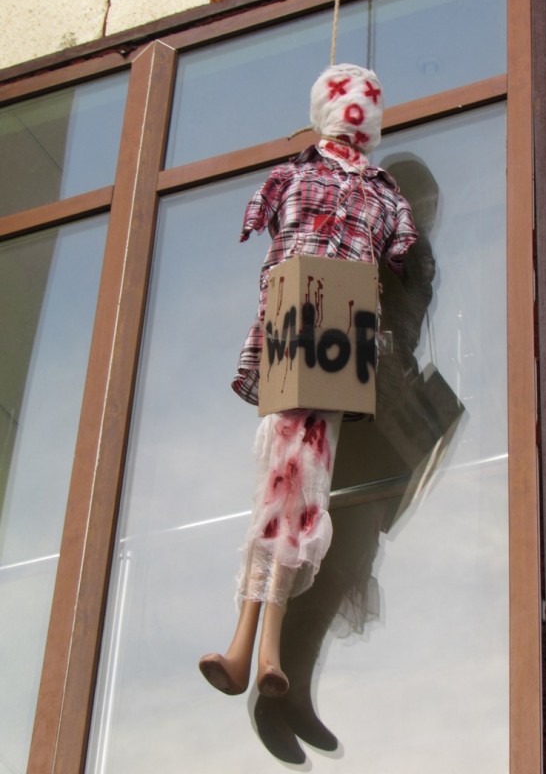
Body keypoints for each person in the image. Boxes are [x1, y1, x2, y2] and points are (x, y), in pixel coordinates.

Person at [199, 63, 417, 698]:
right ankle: (257, 648)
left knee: (294, 484)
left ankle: (257, 647)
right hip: (298, 335)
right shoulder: (293, 176)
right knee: (288, 482)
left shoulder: (383, 194)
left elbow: (401, 248)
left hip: (336, 341)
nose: (352, 121)